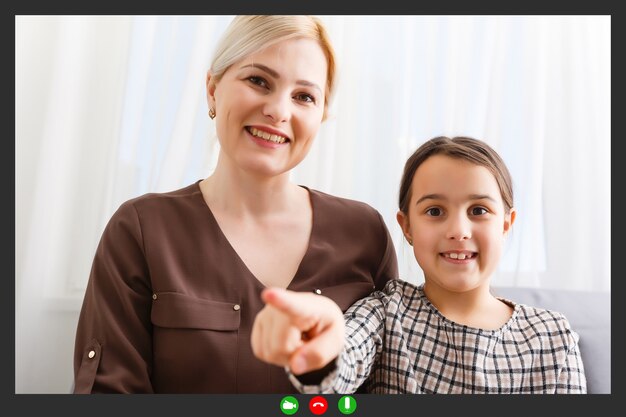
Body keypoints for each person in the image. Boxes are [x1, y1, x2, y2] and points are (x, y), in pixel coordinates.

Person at [72, 15, 398, 394]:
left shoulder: (365, 232)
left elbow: (391, 382)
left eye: (304, 96)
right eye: (258, 81)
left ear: (322, 115)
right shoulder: (141, 229)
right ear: (212, 89)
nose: (279, 110)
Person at [251, 136, 587, 394]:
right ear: (407, 226)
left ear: (506, 224)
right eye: (435, 211)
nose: (458, 231)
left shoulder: (552, 335)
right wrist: (322, 346)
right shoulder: (386, 312)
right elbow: (343, 361)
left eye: (479, 211)